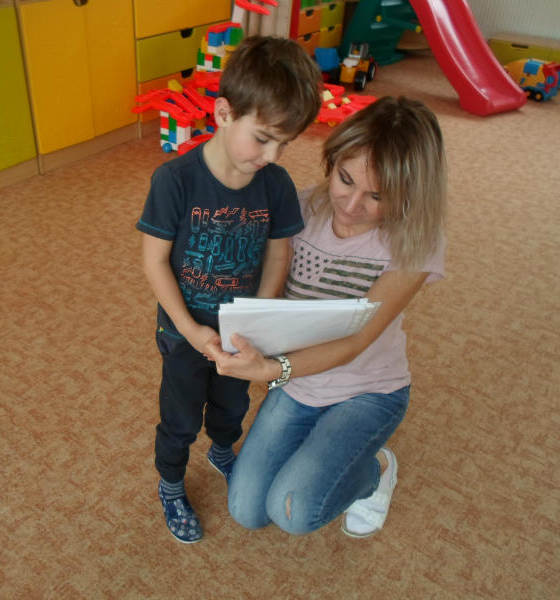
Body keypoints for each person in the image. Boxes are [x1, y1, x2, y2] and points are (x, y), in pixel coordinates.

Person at [207, 96, 447, 538]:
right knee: (247, 510)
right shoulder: (298, 207)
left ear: (410, 194)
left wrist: (270, 369)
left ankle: (376, 470)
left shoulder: (416, 239)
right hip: (299, 383)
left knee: (293, 512)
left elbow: (355, 342)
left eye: (377, 196)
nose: (352, 205)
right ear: (332, 160)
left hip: (368, 390)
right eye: (345, 179)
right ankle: (332, 451)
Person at [136, 35, 322, 543]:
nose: (272, 155)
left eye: (285, 143)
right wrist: (190, 329)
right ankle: (171, 484)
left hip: (241, 334)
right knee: (179, 416)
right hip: (184, 331)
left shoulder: (276, 185)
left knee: (231, 405)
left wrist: (259, 316)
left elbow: (279, 253)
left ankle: (222, 450)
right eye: (262, 138)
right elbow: (154, 262)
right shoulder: (174, 181)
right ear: (223, 113)